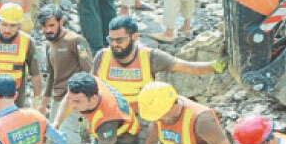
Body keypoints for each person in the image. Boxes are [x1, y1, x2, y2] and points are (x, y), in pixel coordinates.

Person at [93, 15, 226, 116]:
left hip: (139, 118)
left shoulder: (150, 57)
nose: (114, 44)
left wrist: (214, 65)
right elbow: (89, 87)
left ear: (134, 36)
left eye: (119, 40)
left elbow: (187, 67)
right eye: (111, 39)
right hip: (107, 116)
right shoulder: (102, 57)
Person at [55, 72, 140, 144]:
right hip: (103, 133)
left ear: (93, 98)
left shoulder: (107, 121)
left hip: (123, 141)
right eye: (71, 100)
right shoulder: (89, 83)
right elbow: (68, 97)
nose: (72, 105)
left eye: (77, 102)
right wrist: (57, 123)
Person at [37, 5, 93, 144]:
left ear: (61, 22)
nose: (48, 30)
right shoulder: (48, 45)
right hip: (57, 99)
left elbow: (89, 70)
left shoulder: (76, 41)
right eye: (44, 26)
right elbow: (51, 75)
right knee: (54, 140)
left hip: (75, 98)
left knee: (66, 139)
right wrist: (44, 102)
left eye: (52, 25)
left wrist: (85, 101)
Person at [0, 4, 43, 108]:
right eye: (4, 24)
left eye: (12, 26)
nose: (7, 30)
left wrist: (37, 99)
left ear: (19, 25)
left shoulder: (27, 42)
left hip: (15, 96)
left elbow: (35, 74)